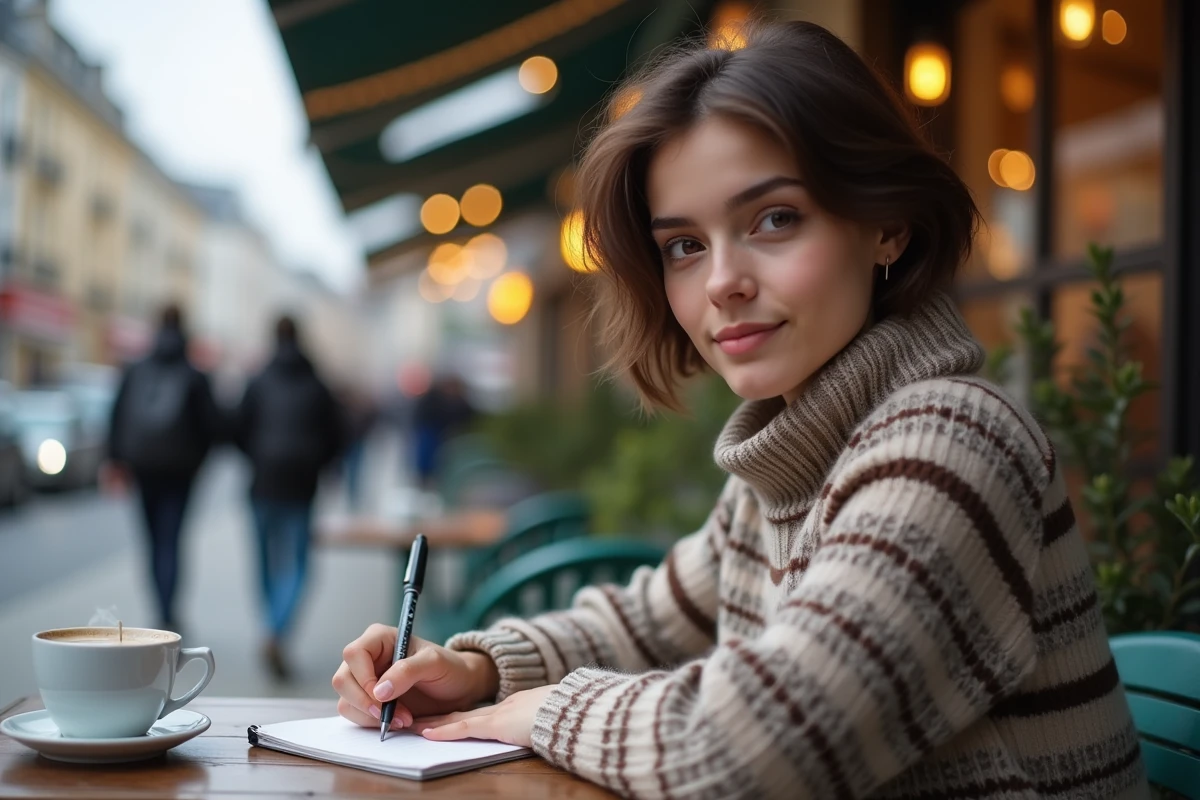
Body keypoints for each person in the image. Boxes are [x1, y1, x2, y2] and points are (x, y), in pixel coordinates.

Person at [332, 21, 1147, 799]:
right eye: (684, 245)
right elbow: (650, 621)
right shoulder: (795, 459)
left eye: (775, 218)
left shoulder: (952, 443)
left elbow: (753, 749)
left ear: (887, 225)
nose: (722, 282)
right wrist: (478, 670)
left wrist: (548, 709)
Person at [235, 315, 343, 680]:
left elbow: (238, 428)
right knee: (298, 566)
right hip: (301, 485)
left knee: (264, 563)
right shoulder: (317, 384)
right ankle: (277, 629)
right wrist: (317, 463)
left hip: (262, 482)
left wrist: (258, 456)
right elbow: (336, 435)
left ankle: (271, 625)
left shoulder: (258, 380)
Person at [105, 303, 223, 632]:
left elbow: (116, 417)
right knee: (172, 540)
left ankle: (159, 606)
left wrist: (116, 460)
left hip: (143, 469)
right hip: (181, 473)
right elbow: (212, 427)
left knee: (153, 541)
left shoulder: (136, 370)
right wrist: (197, 463)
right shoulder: (195, 375)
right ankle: (168, 611)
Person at [409, 373, 476, 489]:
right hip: (432, 430)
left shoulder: (458, 401)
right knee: (428, 455)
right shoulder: (433, 399)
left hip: (445, 433)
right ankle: (425, 478)